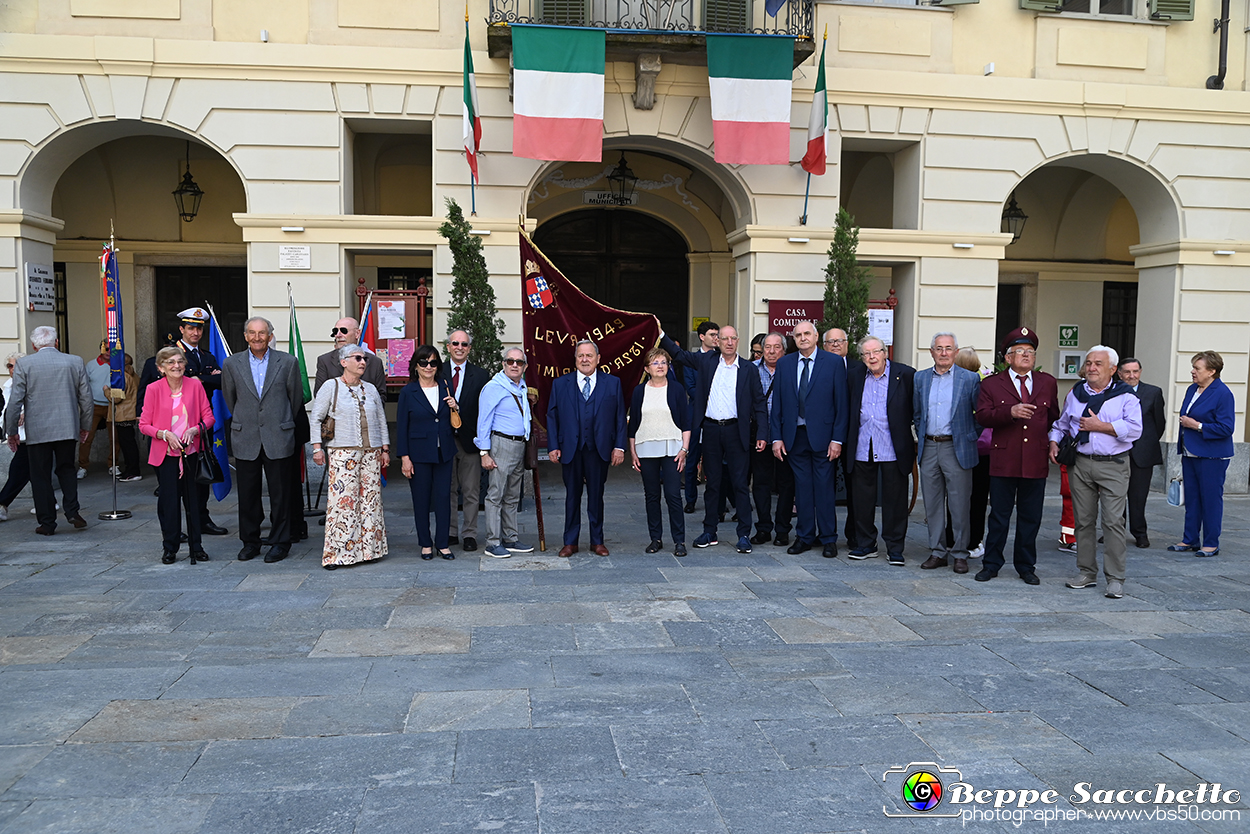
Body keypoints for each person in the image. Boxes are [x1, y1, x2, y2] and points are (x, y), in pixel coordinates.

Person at [662, 324, 767, 553]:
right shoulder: (707, 362)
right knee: (713, 484)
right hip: (710, 430)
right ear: (717, 341)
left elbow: (759, 403)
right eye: (724, 338)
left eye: (733, 339)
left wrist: (762, 434)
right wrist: (660, 333)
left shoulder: (748, 369)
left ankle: (743, 535)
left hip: (736, 430)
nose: (729, 342)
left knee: (740, 484)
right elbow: (679, 354)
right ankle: (710, 531)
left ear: (738, 341)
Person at [1048, 346, 1142, 598]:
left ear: (1112, 369)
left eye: (1098, 364)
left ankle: (1115, 578)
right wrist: (1054, 441)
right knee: (1084, 521)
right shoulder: (1075, 394)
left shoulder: (1126, 396)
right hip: (1081, 463)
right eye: (1089, 363)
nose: (1091, 367)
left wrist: (1102, 426)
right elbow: (1062, 424)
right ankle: (1087, 572)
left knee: (1112, 521)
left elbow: (1135, 429)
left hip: (1113, 464)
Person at [974, 327, 1059, 585]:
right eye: (1019, 351)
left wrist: (1053, 442)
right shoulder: (991, 383)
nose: (1025, 356)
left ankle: (1025, 566)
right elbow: (983, 416)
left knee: (1030, 517)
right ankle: (991, 564)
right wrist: (1010, 412)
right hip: (1004, 460)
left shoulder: (1047, 382)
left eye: (1030, 352)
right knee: (999, 516)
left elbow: (1053, 416)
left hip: (1034, 459)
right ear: (1007, 358)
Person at [221, 316, 304, 563]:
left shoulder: (287, 362)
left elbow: (295, 399)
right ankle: (250, 542)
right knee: (247, 495)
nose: (257, 337)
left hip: (278, 436)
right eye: (252, 333)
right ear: (245, 336)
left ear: (270, 336)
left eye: (262, 333)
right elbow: (230, 398)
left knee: (281, 494)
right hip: (245, 436)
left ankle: (280, 542)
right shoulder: (231, 363)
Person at [5, 326, 94, 535]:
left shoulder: (25, 364)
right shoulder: (74, 361)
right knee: (67, 470)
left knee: (40, 475)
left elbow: (15, 401)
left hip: (38, 430)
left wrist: (11, 432)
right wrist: (85, 426)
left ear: (35, 346)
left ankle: (47, 523)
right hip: (67, 427)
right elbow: (86, 399)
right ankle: (72, 511)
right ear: (56, 342)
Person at [770, 322, 848, 557]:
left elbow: (841, 405)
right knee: (802, 489)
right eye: (798, 335)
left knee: (824, 488)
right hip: (795, 436)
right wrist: (776, 438)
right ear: (793, 339)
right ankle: (804, 536)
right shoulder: (784, 363)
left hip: (824, 438)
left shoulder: (833, 363)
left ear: (816, 337)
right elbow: (778, 404)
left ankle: (828, 538)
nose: (803, 338)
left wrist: (837, 439)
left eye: (807, 334)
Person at [312, 344, 390, 569]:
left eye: (364, 358)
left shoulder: (371, 389)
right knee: (343, 503)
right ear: (344, 362)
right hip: (342, 451)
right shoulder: (331, 386)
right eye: (357, 358)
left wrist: (385, 450)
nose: (362, 362)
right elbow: (316, 418)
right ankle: (337, 554)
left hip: (371, 452)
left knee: (371, 502)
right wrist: (317, 448)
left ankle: (370, 551)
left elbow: (381, 421)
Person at [548, 340, 627, 558]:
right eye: (580, 355)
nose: (585, 359)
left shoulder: (612, 383)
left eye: (589, 355)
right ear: (575, 359)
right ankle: (570, 542)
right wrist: (553, 446)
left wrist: (619, 447)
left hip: (598, 448)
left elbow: (620, 417)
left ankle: (597, 541)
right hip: (570, 449)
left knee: (596, 496)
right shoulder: (560, 384)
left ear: (598, 359)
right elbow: (552, 416)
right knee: (572, 496)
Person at [139, 347, 215, 565]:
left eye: (180, 361)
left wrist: (196, 429)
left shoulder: (195, 385)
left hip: (191, 452)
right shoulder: (154, 389)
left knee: (194, 501)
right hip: (165, 455)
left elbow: (209, 417)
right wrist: (163, 434)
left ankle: (196, 546)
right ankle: (170, 547)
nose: (176, 366)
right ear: (161, 367)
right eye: (170, 362)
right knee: (169, 502)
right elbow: (144, 425)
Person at [914, 332, 981, 574]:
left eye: (948, 348)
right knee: (931, 504)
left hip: (957, 447)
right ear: (931, 352)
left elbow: (980, 415)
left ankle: (960, 553)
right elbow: (917, 413)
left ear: (956, 352)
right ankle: (937, 551)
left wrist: (969, 435)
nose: (943, 353)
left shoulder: (970, 379)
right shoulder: (920, 379)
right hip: (930, 446)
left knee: (959, 504)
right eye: (939, 348)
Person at [844, 336, 915, 565]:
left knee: (895, 500)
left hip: (893, 445)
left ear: (885, 353)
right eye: (866, 354)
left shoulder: (905, 375)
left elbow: (916, 409)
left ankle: (895, 548)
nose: (871, 357)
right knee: (862, 500)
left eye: (876, 352)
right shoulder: (854, 376)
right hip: (863, 443)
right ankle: (866, 544)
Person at [1169, 350, 1235, 559]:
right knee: (1193, 499)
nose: (1193, 371)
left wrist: (1196, 425)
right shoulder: (1192, 389)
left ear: (1212, 371)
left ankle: (1211, 543)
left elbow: (1226, 427)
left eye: (1197, 368)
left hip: (1212, 456)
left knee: (1210, 500)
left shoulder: (1223, 393)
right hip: (1190, 452)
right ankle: (1189, 538)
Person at [627, 347, 691, 556]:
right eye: (655, 363)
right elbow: (633, 424)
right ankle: (655, 538)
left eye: (663, 362)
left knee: (673, 495)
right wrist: (633, 452)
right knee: (652, 496)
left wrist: (684, 449)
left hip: (672, 447)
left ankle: (679, 541)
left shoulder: (676, 388)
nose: (660, 366)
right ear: (647, 368)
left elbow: (686, 421)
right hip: (646, 448)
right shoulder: (639, 391)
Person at [398, 344, 459, 560]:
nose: (428, 366)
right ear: (416, 365)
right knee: (421, 499)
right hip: (418, 454)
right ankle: (425, 543)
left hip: (444, 452)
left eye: (433, 362)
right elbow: (402, 426)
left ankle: (442, 543)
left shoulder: (445, 386)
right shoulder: (408, 392)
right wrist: (405, 458)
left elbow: (452, 420)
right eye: (424, 362)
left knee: (444, 498)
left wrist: (455, 405)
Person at [476, 347, 534, 559]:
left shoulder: (520, 386)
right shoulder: (494, 387)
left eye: (519, 362)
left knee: (512, 496)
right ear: (503, 364)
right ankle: (492, 542)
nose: (514, 365)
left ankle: (510, 538)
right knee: (495, 495)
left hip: (519, 445)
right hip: (501, 444)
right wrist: (484, 452)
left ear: (525, 366)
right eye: (510, 361)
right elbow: (483, 421)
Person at [439, 329, 489, 551]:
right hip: (445, 440)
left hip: (470, 440)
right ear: (448, 346)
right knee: (447, 488)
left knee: (471, 490)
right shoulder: (435, 371)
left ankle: (469, 534)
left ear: (470, 348)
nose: (459, 347)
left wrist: (460, 410)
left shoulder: (481, 375)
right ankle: (450, 532)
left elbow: (484, 410)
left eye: (464, 344)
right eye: (455, 343)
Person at [751, 333, 795, 547]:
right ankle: (763, 527)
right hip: (759, 435)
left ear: (783, 350)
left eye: (776, 347)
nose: (771, 351)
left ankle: (782, 529)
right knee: (760, 483)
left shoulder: (791, 369)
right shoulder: (751, 369)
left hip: (786, 437)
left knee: (786, 484)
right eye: (767, 347)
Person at [1118, 357, 1165, 549]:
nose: (1132, 376)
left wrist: (1145, 443)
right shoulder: (1112, 392)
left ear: (1140, 372)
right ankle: (1115, 531)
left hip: (1143, 453)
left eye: (1135, 371)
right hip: (1117, 451)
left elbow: (1159, 424)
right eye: (1127, 372)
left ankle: (1140, 533)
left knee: (1138, 496)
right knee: (1115, 495)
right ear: (1119, 374)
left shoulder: (1153, 392)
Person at [679, 321, 719, 514]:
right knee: (691, 456)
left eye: (717, 334)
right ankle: (690, 499)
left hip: (717, 417)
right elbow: (691, 388)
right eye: (712, 334)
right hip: (695, 416)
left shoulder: (722, 358)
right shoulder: (692, 359)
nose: (716, 338)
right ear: (702, 337)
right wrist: (712, 398)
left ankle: (718, 500)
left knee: (716, 460)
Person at [954, 346, 991, 559]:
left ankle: (954, 538)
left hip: (962, 447)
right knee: (977, 497)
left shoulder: (969, 383)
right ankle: (974, 541)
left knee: (958, 496)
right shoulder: (985, 382)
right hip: (982, 450)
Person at [314, 316, 386, 397]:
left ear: (357, 333)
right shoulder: (325, 360)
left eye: (343, 331)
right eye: (335, 331)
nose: (338, 335)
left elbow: (381, 395)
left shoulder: (374, 362)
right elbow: (319, 395)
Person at [0, 353, 31, 520]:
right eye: (9, 366)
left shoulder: (32, 382)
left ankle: (2, 502)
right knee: (32, 470)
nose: (12, 370)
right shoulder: (8, 386)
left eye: (15, 366)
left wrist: (26, 413)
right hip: (15, 434)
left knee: (18, 470)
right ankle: (48, 501)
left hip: (30, 435)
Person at [78, 339, 113, 479]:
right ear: (101, 349)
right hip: (94, 405)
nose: (109, 352)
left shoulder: (118, 365)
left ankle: (113, 465)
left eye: (112, 349)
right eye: (106, 348)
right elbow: (83, 384)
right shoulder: (91, 365)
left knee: (114, 437)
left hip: (112, 405)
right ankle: (82, 466)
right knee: (86, 437)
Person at [111, 354, 142, 482]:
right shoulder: (134, 375)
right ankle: (132, 470)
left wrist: (107, 391)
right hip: (131, 412)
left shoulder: (121, 376)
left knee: (127, 445)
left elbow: (117, 398)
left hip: (123, 414)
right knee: (130, 443)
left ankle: (132, 471)